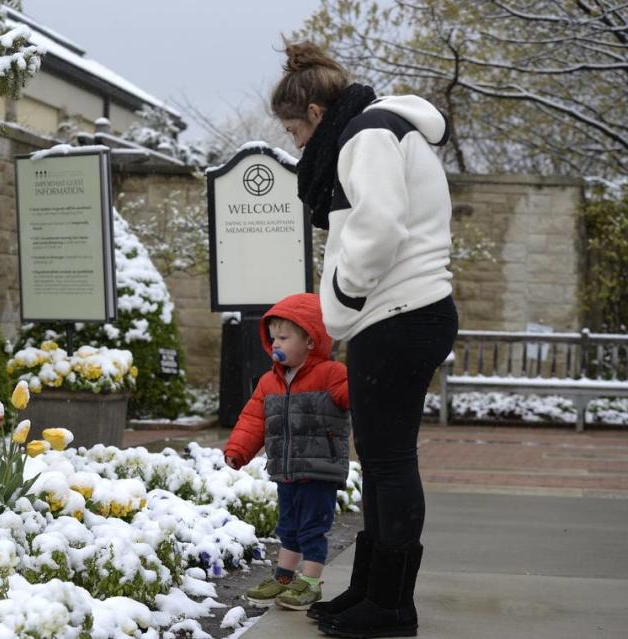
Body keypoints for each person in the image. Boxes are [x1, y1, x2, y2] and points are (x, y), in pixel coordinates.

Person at [270, 40, 460, 638]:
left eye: (294, 130)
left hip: (399, 312)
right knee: (379, 464)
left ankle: (393, 608)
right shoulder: (376, 130)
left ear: (318, 116)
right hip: (402, 314)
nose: (295, 144)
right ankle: (371, 591)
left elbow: (379, 227)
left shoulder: (368, 134)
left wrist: (345, 297)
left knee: (389, 461)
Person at [223, 292, 350, 612]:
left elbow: (352, 395)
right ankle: (283, 577)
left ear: (310, 340)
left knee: (312, 526)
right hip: (285, 468)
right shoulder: (269, 381)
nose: (276, 343)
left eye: (284, 337)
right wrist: (239, 449)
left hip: (319, 467)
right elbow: (254, 418)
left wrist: (362, 372)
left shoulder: (331, 373)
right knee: (288, 525)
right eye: (272, 337)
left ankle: (309, 582)